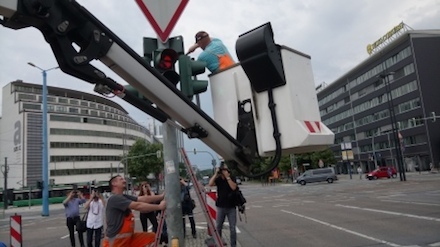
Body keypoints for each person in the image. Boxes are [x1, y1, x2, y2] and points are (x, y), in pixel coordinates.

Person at [103, 175, 166, 247]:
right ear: (114, 183)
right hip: (115, 243)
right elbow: (138, 206)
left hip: (127, 240)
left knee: (152, 237)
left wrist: (161, 196)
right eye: (121, 179)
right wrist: (159, 207)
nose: (124, 181)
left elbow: (142, 199)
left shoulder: (123, 196)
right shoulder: (115, 198)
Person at [208, 163, 238, 247]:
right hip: (221, 206)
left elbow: (233, 187)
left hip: (231, 207)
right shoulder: (219, 179)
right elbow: (210, 184)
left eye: (225, 169)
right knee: (218, 227)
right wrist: (216, 173)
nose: (224, 171)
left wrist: (227, 177)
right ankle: (218, 243)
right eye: (223, 170)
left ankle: (233, 245)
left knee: (232, 228)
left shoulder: (232, 177)